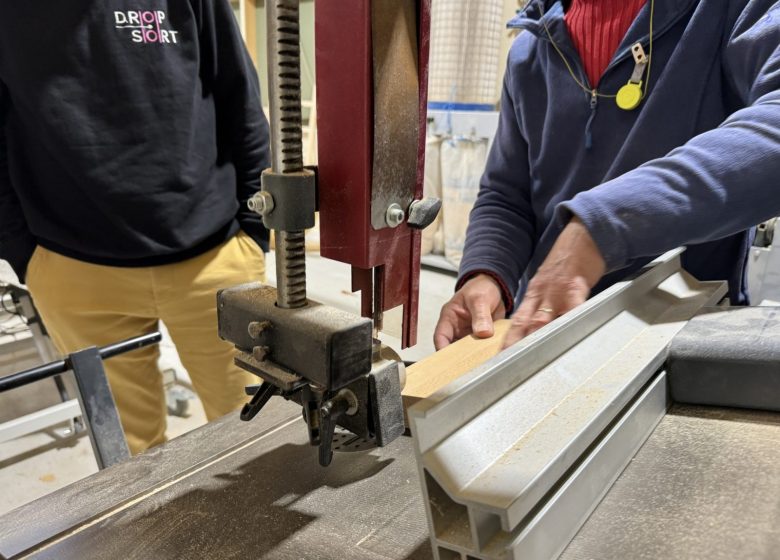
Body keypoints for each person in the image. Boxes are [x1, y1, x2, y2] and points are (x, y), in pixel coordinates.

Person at [0, 1, 270, 454]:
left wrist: (254, 229)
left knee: (254, 432)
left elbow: (239, 99)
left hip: (216, 258)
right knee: (131, 458)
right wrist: (24, 254)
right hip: (74, 272)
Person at [435, 0, 780, 351]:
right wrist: (487, 272)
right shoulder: (530, 48)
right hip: (543, 333)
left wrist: (602, 226)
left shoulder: (730, 11)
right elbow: (507, 195)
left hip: (674, 344)